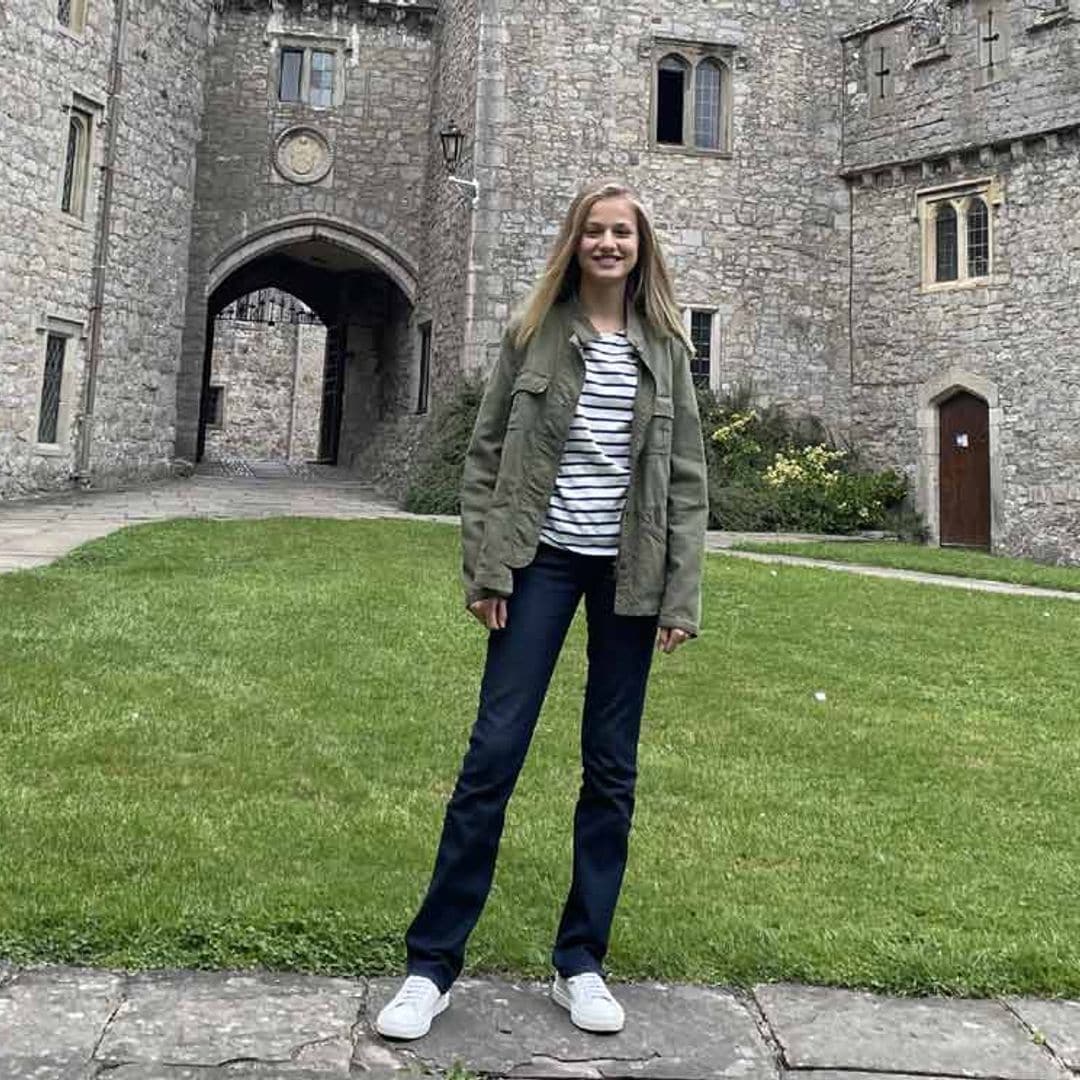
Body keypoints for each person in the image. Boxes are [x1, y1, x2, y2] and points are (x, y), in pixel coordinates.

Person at [376, 179, 708, 1040]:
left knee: (611, 769)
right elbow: (486, 457)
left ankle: (581, 962)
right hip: (539, 564)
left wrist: (681, 594)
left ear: (641, 249)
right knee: (493, 755)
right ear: (576, 243)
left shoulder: (666, 345)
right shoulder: (533, 336)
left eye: (621, 233)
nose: (608, 244)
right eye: (595, 232)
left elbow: (686, 482)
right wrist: (486, 571)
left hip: (629, 575)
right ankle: (431, 966)